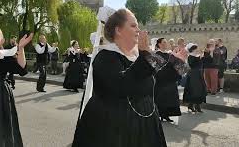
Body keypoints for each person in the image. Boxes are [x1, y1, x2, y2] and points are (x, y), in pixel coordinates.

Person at [73, 9, 187, 147]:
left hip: (145, 126)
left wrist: (176, 64)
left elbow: (158, 80)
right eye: (133, 26)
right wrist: (145, 56)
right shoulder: (105, 57)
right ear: (118, 30)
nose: (138, 30)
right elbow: (121, 86)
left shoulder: (137, 58)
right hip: (115, 129)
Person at [155, 38, 183, 122]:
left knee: (170, 98)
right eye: (164, 42)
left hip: (171, 80)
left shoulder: (169, 54)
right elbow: (157, 67)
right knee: (161, 98)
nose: (165, 44)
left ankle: (167, 115)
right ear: (159, 44)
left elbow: (176, 66)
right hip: (162, 80)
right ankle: (160, 114)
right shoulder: (156, 54)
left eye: (166, 42)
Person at [183, 43, 207, 113]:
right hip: (193, 76)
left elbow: (201, 64)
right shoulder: (190, 56)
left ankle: (196, 106)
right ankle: (192, 105)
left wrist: (201, 57)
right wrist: (199, 58)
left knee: (200, 91)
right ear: (193, 49)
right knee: (194, 91)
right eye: (196, 48)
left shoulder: (197, 56)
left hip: (199, 75)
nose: (197, 50)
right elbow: (192, 65)